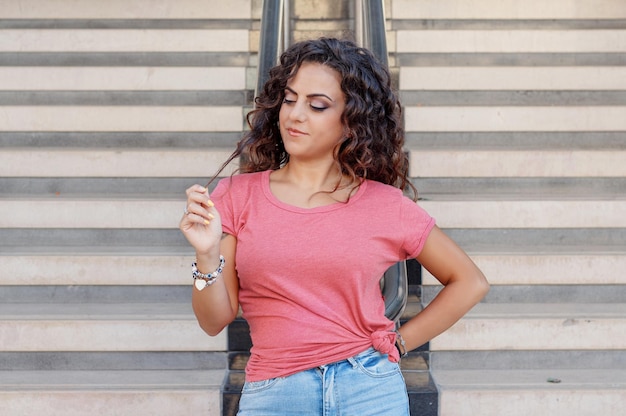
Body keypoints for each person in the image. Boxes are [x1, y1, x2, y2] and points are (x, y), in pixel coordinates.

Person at [179, 37, 489, 415]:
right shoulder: (238, 196)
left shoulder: (384, 204)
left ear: (350, 121)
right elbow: (214, 321)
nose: (295, 115)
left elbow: (470, 281)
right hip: (276, 393)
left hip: (369, 389)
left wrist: (402, 341)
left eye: (318, 105)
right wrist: (207, 255)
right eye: (290, 100)